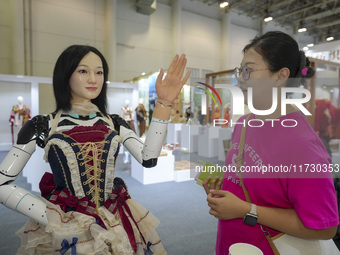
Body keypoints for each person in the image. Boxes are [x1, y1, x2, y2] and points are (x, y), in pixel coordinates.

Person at [0, 45, 190, 255]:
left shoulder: (114, 122)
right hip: (67, 230)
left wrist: (164, 103)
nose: (93, 79)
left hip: (113, 218)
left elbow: (149, 159)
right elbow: (2, 183)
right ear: (65, 75)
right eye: (83, 71)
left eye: (99, 72)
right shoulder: (42, 125)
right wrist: (52, 216)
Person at [203, 31, 339, 254]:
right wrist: (223, 188)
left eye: (249, 69)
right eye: (240, 70)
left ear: (281, 76)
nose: (240, 78)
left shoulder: (302, 144)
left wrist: (246, 210)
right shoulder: (244, 124)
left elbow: (324, 228)